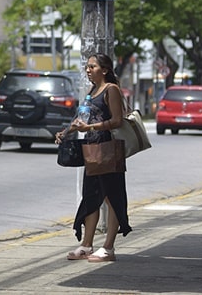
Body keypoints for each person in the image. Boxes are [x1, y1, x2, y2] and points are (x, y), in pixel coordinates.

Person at [55, 53, 131, 262]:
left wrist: (90, 127)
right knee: (91, 198)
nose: (88, 70)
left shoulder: (111, 90)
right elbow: (83, 117)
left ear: (104, 70)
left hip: (108, 149)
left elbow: (117, 120)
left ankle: (109, 248)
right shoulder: (92, 91)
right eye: (87, 67)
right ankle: (87, 245)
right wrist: (66, 132)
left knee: (111, 197)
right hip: (92, 150)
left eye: (92, 67)